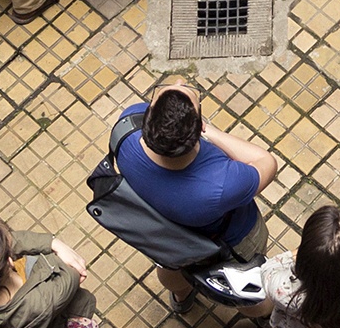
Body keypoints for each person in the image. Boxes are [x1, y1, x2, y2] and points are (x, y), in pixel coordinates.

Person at [112, 78, 278, 304]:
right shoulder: (221, 184)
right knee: (249, 292)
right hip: (228, 240)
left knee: (174, 272)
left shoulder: (126, 129)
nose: (180, 81)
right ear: (199, 127)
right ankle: (260, 316)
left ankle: (182, 299)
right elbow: (266, 163)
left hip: (168, 241)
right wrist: (211, 132)